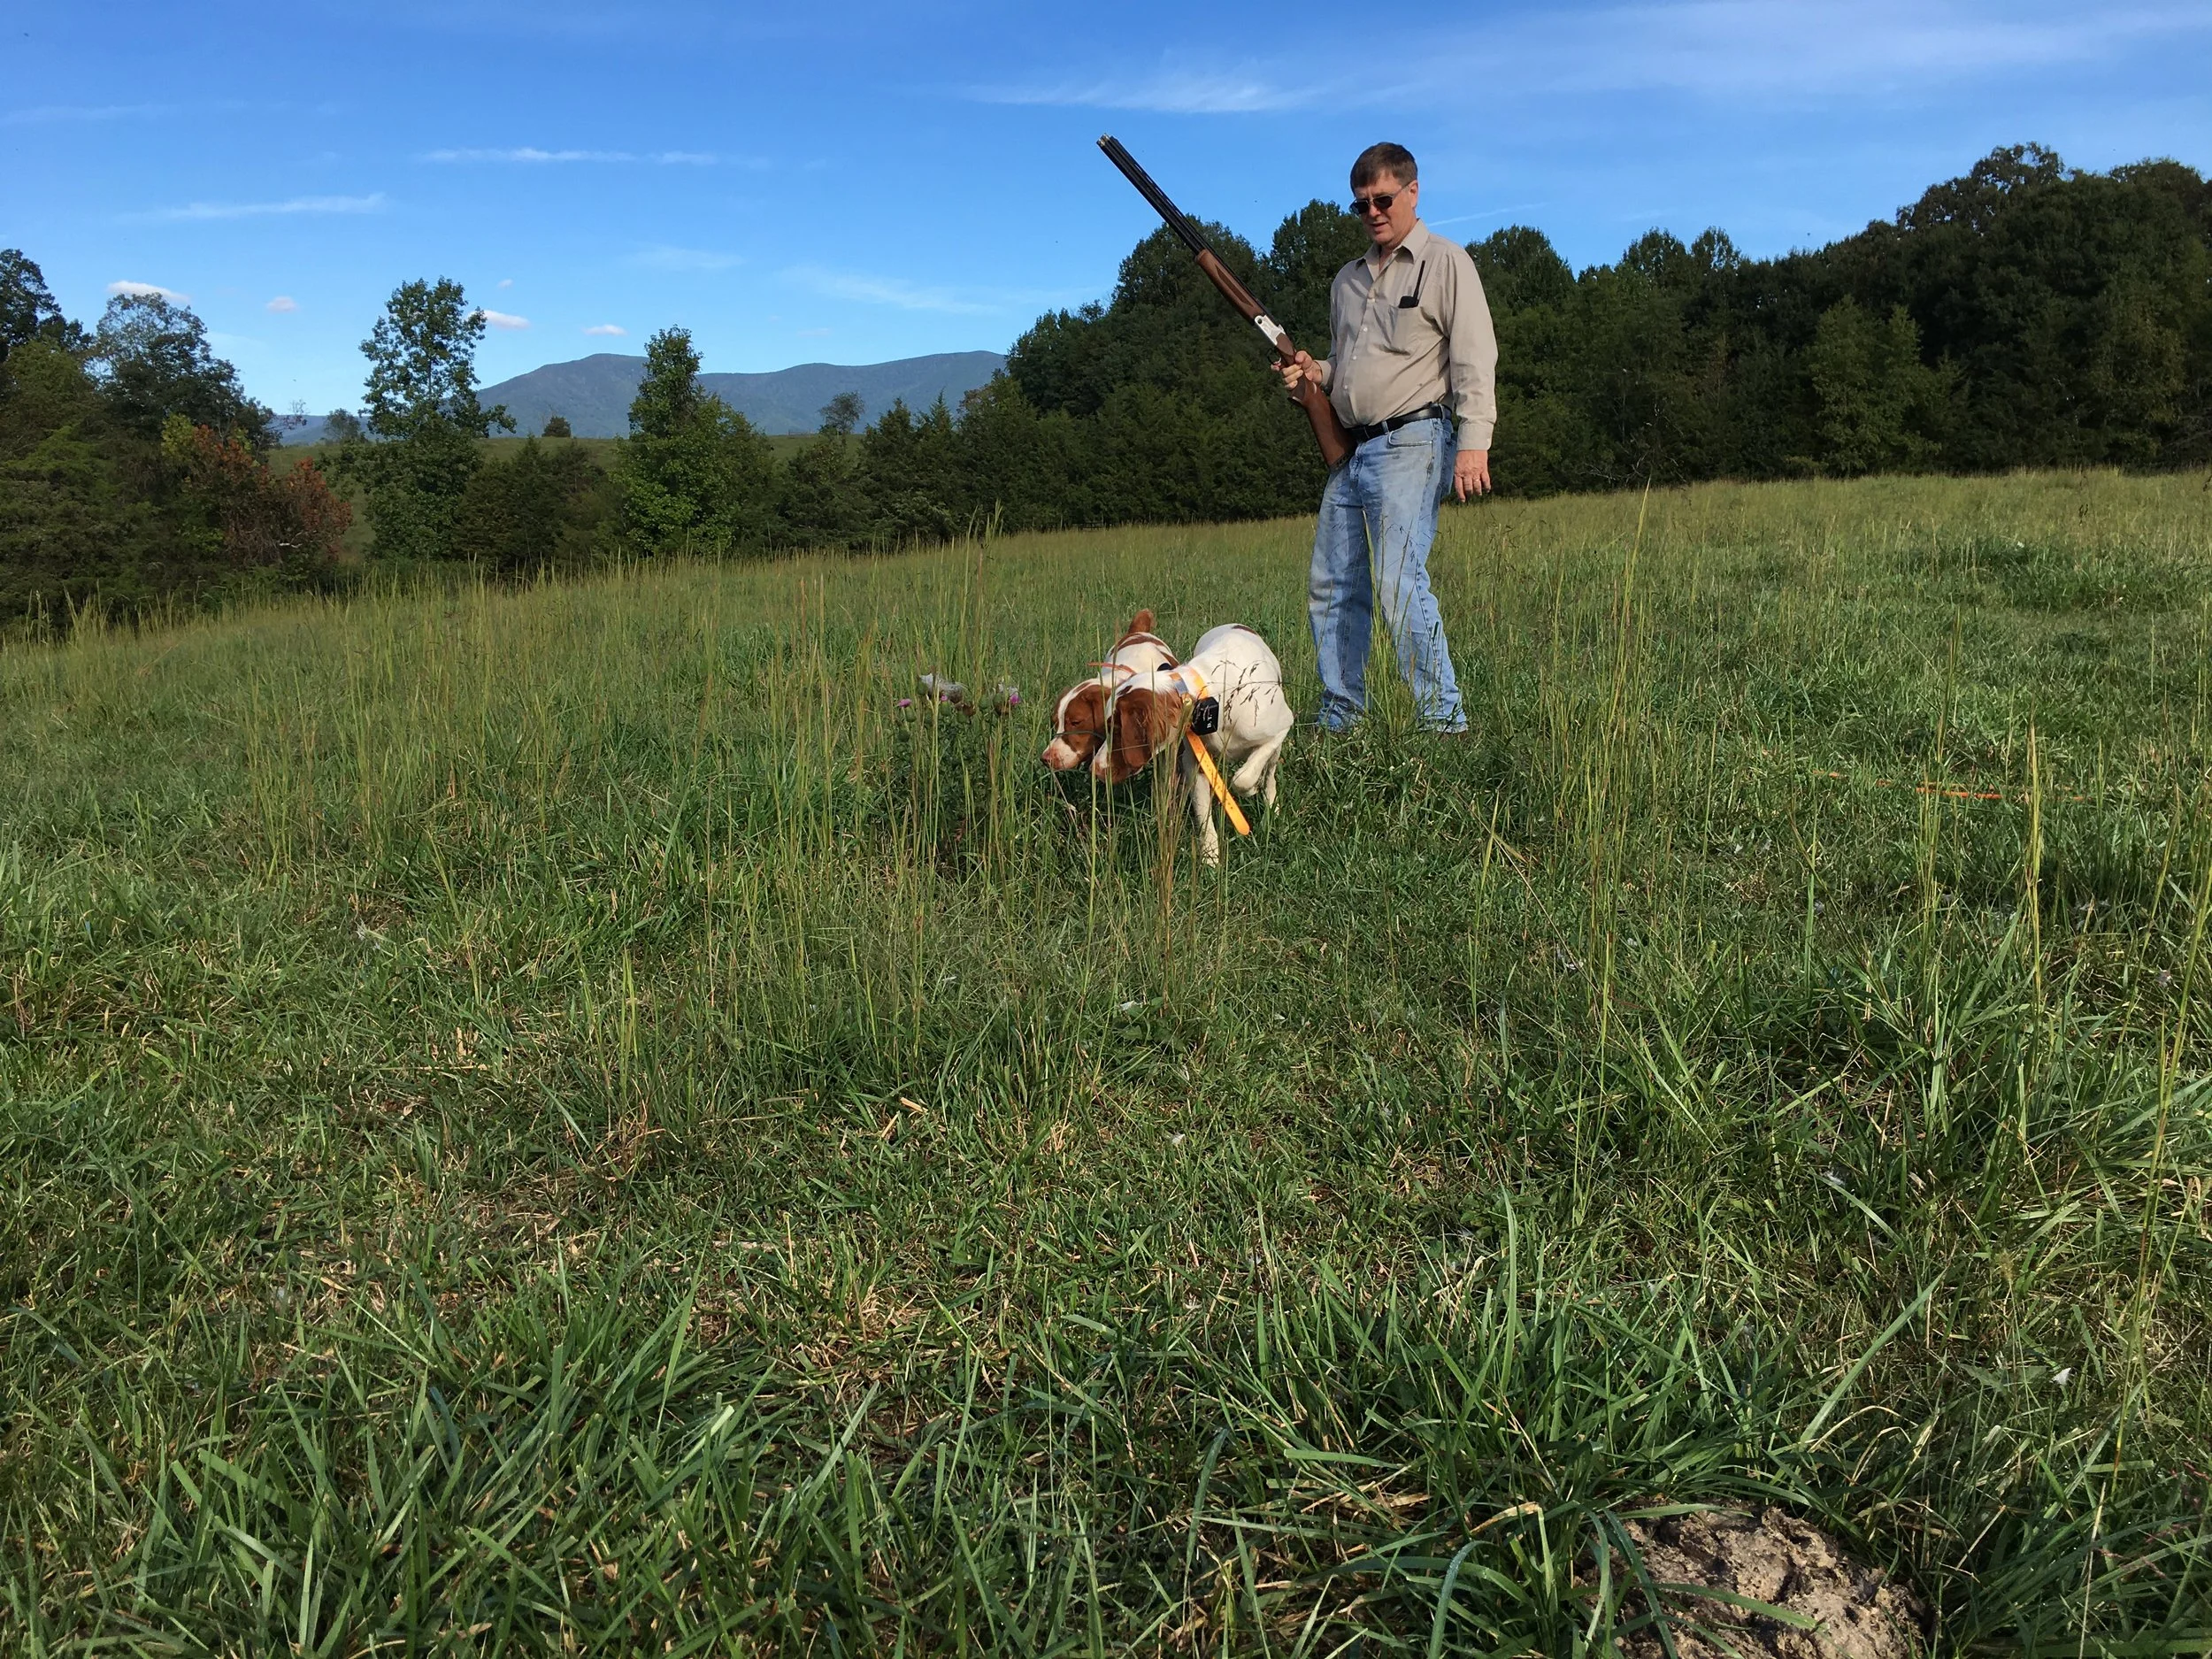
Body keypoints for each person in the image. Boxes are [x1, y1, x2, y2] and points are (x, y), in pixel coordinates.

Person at [1279, 142, 1496, 734]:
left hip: (1415, 439)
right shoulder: (1346, 282)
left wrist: (1474, 441)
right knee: (1332, 585)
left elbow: (1475, 356)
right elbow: (1345, 362)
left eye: (1383, 199)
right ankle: (1341, 714)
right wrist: (1313, 372)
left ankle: (1442, 720)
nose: (1373, 212)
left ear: (1412, 192)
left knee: (1400, 581)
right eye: (1360, 204)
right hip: (1349, 452)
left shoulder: (1447, 263)